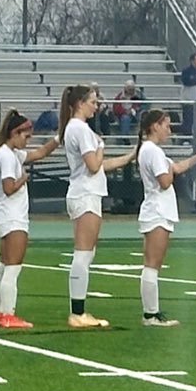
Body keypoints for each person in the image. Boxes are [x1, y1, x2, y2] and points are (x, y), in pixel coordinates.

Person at [61, 84, 138, 328]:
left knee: (86, 253)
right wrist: (101, 146)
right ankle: (77, 312)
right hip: (85, 194)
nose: (96, 106)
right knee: (83, 253)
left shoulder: (76, 128)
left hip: (84, 191)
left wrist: (128, 157)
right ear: (80, 103)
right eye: (93, 102)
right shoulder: (80, 129)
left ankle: (78, 310)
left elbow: (98, 166)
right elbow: (94, 165)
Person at [0, 110, 61, 329]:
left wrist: (58, 138)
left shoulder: (10, 153)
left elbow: (40, 153)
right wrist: (23, 179)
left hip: (6, 216)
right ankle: (8, 314)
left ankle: (1, 313)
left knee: (4, 267)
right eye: (25, 136)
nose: (27, 141)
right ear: (15, 133)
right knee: (12, 268)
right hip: (13, 217)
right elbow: (9, 187)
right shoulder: (7, 156)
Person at [136, 109, 196, 327]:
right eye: (166, 125)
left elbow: (177, 167)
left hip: (156, 210)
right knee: (152, 265)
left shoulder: (151, 150)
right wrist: (170, 172)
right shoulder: (153, 151)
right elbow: (165, 181)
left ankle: (151, 313)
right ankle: (151, 314)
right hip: (157, 210)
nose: (169, 130)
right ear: (154, 126)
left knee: (152, 264)